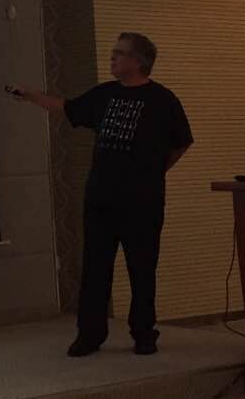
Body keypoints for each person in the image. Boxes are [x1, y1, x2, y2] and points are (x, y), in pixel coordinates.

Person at [10, 32, 192, 356]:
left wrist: (154, 172)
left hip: (143, 202)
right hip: (100, 199)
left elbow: (181, 142)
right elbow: (67, 107)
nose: (112, 58)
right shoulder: (105, 94)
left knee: (142, 270)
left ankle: (144, 333)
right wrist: (31, 96)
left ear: (138, 61)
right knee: (95, 269)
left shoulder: (163, 100)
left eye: (119, 53)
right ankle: (90, 335)